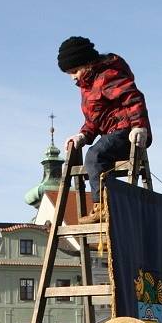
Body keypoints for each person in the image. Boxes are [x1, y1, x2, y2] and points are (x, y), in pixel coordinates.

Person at [58, 36, 152, 224]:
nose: (73, 77)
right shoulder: (87, 86)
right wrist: (84, 134)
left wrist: (139, 126)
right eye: (69, 73)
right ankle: (108, 202)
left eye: (74, 71)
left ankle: (103, 205)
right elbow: (94, 119)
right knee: (98, 157)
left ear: (86, 63)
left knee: (95, 156)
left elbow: (132, 98)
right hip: (111, 132)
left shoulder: (108, 75)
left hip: (128, 132)